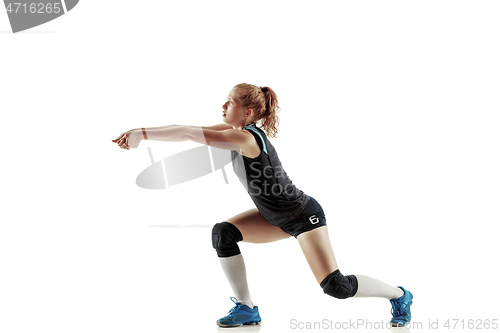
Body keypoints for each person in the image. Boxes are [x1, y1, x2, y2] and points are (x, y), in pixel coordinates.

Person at [111, 83, 413, 328]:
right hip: (273, 217)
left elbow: (190, 134)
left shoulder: (246, 140)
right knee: (224, 233)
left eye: (229, 102)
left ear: (248, 111)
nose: (223, 106)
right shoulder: (235, 133)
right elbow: (189, 129)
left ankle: (400, 295)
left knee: (337, 287)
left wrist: (143, 133)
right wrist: (143, 132)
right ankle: (247, 308)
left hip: (302, 215)